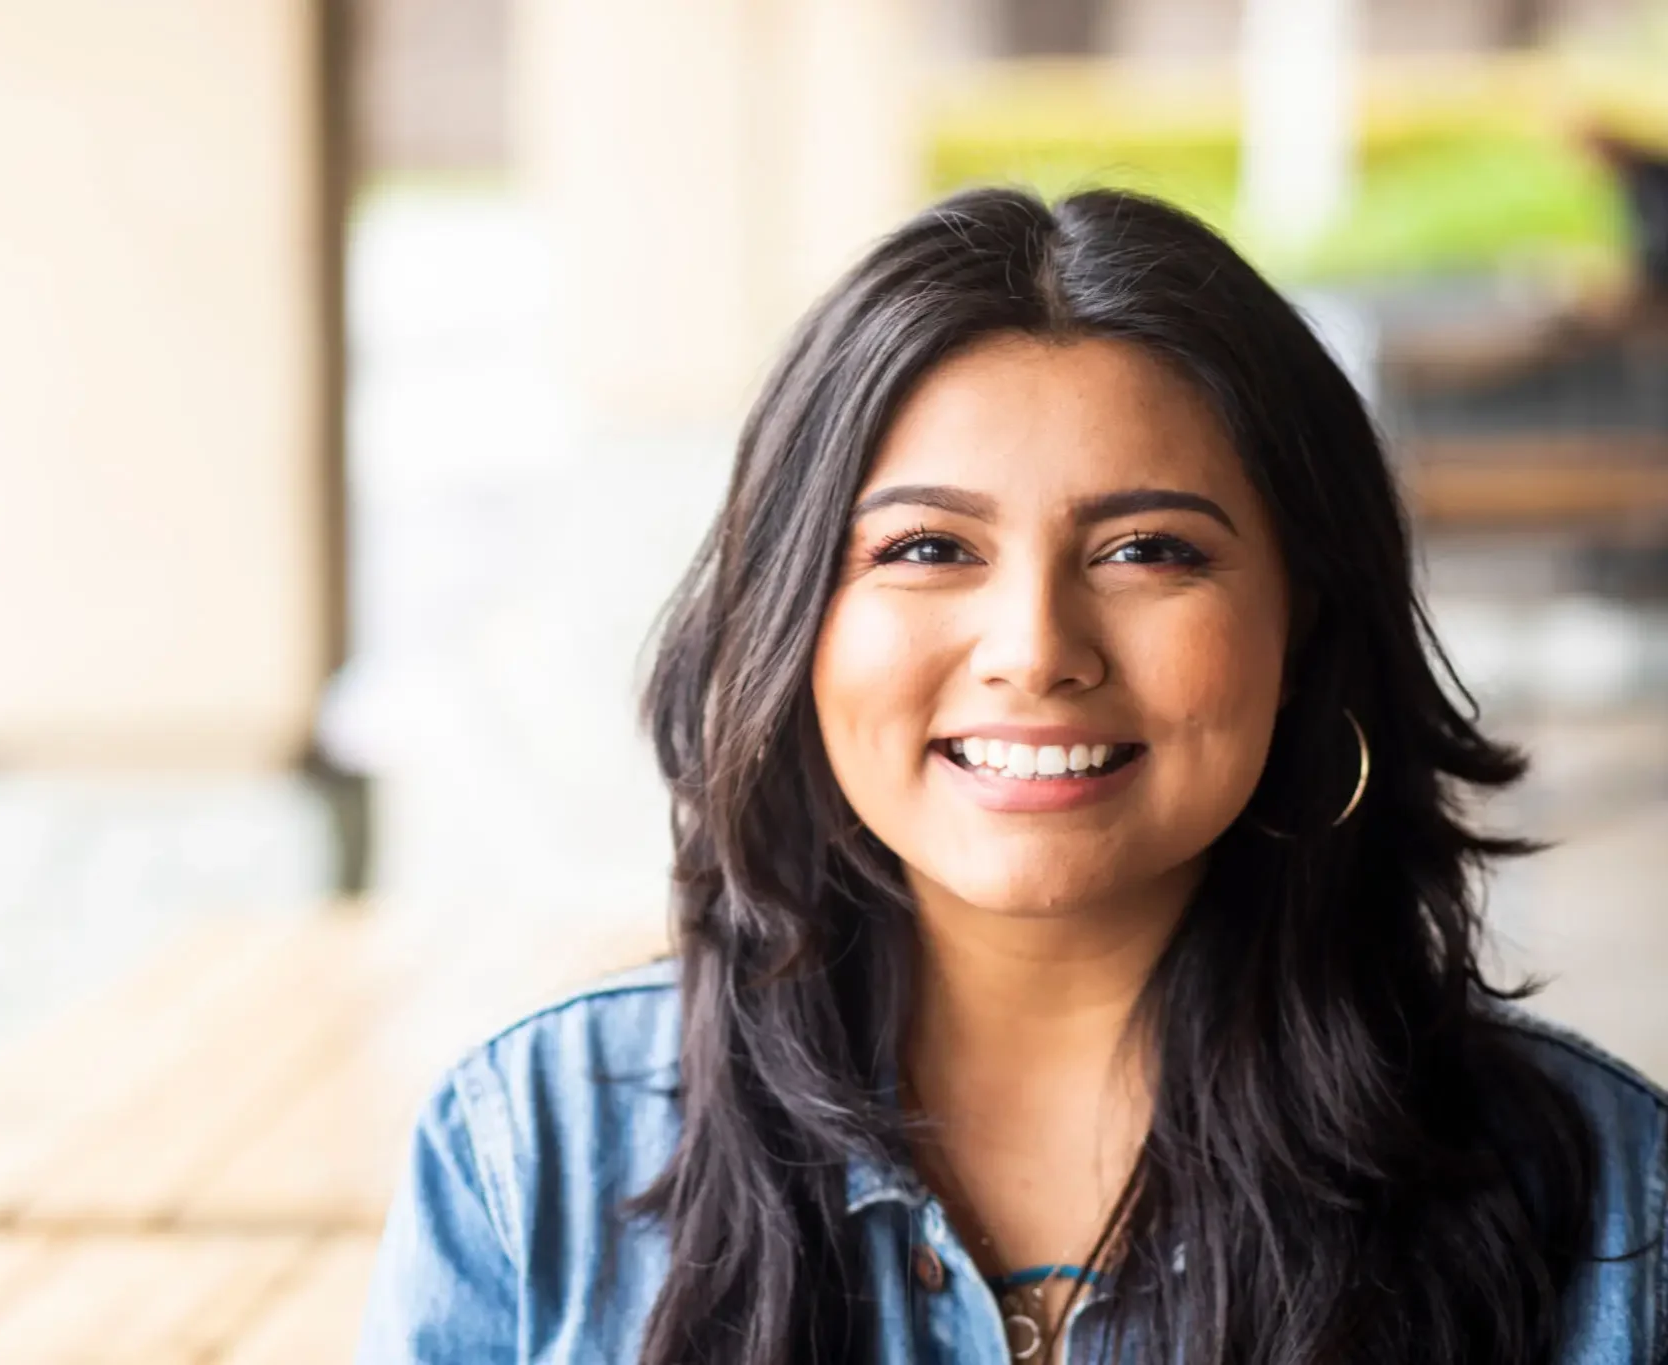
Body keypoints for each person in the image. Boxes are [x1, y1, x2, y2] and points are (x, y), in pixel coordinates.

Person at [357, 187, 1666, 1363]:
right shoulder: (529, 1151)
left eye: (1147, 550)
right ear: (790, 620)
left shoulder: (1607, 1193)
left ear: (1302, 622)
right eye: (926, 549)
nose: (1034, 652)